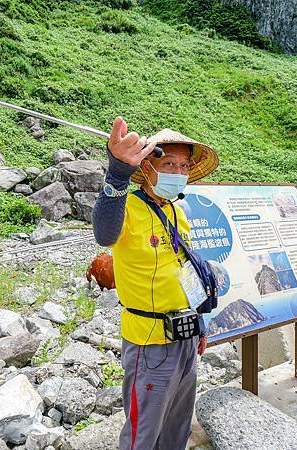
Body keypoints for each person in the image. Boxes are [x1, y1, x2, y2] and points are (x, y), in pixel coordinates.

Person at [92, 116, 219, 450]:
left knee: (177, 426)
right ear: (147, 167)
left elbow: (184, 269)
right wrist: (117, 172)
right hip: (149, 343)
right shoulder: (128, 207)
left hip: (186, 336)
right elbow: (104, 233)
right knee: (143, 432)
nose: (177, 171)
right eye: (169, 163)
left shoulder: (178, 211)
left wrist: (200, 323)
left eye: (183, 165)